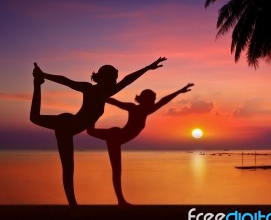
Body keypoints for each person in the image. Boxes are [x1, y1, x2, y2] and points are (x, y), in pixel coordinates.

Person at [30, 57, 167, 206]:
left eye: (115, 79)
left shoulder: (105, 92)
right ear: (104, 79)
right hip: (66, 126)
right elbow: (66, 81)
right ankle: (37, 84)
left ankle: (73, 205)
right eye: (113, 78)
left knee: (68, 167)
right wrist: (44, 75)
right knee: (67, 167)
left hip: (69, 124)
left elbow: (128, 79)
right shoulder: (90, 89)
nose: (115, 81)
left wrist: (148, 67)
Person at [87, 82, 194, 205]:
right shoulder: (134, 108)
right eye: (152, 99)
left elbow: (164, 100)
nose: (154, 102)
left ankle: (121, 201)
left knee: (115, 167)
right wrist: (100, 97)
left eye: (154, 99)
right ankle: (121, 201)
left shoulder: (146, 110)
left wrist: (180, 90)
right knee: (116, 169)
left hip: (116, 136)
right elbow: (115, 102)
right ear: (145, 99)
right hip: (115, 137)